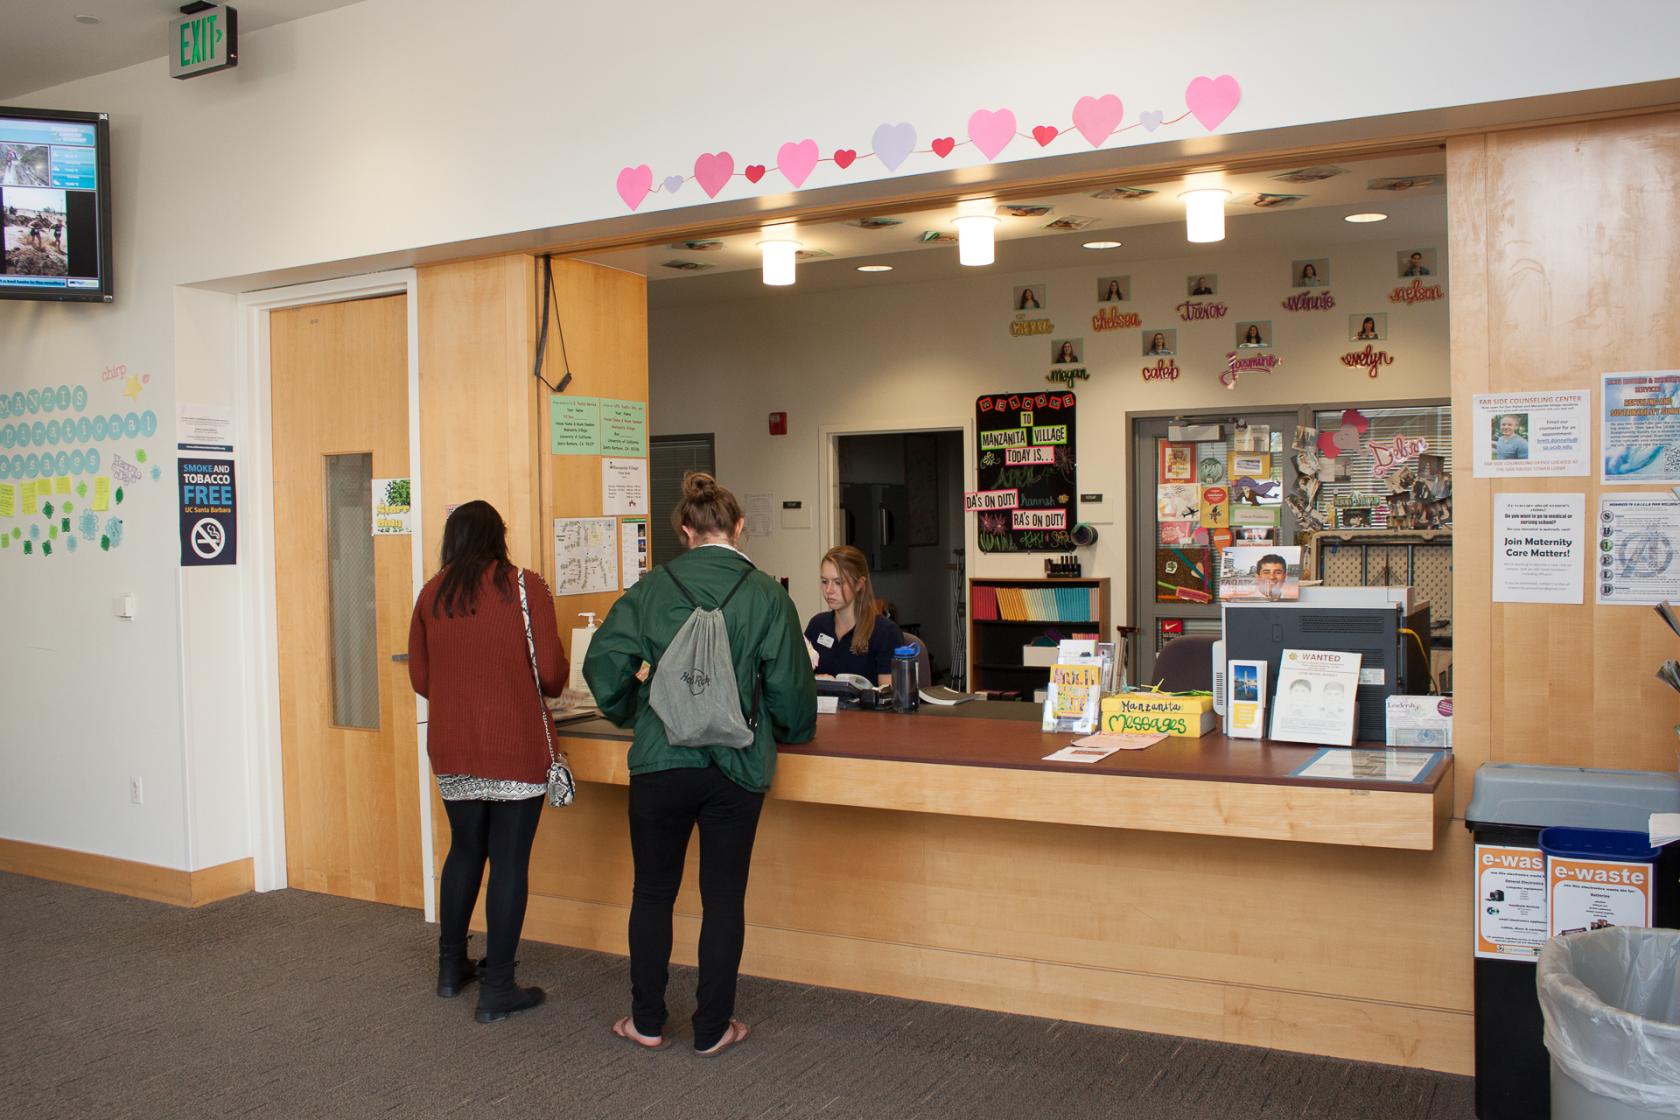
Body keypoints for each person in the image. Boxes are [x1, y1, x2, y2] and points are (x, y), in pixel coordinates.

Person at [584, 472, 816, 1056]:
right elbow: (791, 692)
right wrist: (791, 730)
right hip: (736, 770)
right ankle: (713, 1028)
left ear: (686, 531)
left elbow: (604, 664)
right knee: (723, 898)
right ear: (738, 528)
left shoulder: (652, 587)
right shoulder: (766, 593)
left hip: (662, 762)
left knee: (653, 893)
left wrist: (632, 709)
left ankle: (647, 1021)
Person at [407, 500, 567, 1023]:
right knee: (509, 861)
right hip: (513, 745)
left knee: (464, 851)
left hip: (452, 746)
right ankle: (498, 986)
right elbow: (550, 675)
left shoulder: (432, 594)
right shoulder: (524, 587)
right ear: (500, 536)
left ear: (451, 540)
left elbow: (422, 680)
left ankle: (451, 970)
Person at [805, 545, 904, 686]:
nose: (828, 590)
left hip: (864, 708)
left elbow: (889, 698)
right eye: (824, 581)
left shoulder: (885, 632)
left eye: (838, 583)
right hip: (821, 708)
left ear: (859, 584)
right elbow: (799, 680)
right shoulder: (817, 625)